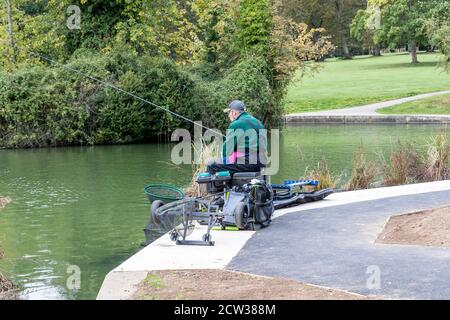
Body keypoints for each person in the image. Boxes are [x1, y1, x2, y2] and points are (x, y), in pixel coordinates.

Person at [207, 100, 267, 175]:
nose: (228, 115)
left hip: (248, 163)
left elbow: (227, 151)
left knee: (212, 165)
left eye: (229, 112)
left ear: (234, 113)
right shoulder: (258, 122)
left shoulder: (236, 124)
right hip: (262, 162)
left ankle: (223, 187)